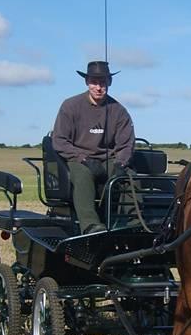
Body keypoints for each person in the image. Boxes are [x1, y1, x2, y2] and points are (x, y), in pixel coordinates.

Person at [52, 60, 135, 234]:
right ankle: (91, 225)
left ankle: (134, 222)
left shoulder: (119, 111)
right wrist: (83, 159)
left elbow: (126, 144)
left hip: (108, 160)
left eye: (103, 82)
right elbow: (59, 140)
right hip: (77, 159)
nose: (99, 87)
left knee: (129, 176)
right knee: (83, 175)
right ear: (87, 82)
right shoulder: (70, 106)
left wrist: (120, 164)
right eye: (94, 82)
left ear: (109, 83)